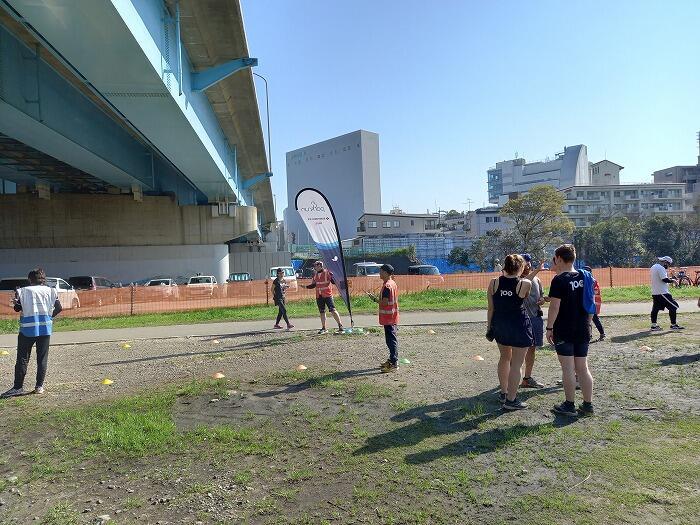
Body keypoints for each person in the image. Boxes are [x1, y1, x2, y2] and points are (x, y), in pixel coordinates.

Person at [547, 244, 594, 417]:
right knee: (583, 368)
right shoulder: (586, 276)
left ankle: (569, 405)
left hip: (564, 328)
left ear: (559, 258)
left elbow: (554, 306)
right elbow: (591, 303)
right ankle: (588, 405)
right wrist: (588, 323)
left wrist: (549, 327)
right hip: (582, 327)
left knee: (567, 367)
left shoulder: (559, 280)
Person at [1, 268, 62, 398]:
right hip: (45, 329)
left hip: (27, 330)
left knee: (23, 358)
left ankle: (18, 387)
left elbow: (18, 308)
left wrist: (16, 301)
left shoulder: (23, 291)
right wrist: (49, 317)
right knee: (42, 359)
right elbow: (59, 308)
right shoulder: (52, 291)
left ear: (30, 280)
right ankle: (39, 386)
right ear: (43, 279)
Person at [486, 254, 534, 410]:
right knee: (517, 364)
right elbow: (524, 296)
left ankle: (503, 392)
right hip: (519, 325)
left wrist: (489, 328)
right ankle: (511, 400)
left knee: (504, 358)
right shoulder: (524, 283)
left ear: (504, 266)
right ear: (520, 267)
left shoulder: (493, 283)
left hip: (500, 325)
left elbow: (491, 308)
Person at [519, 254, 546, 389]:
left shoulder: (537, 279)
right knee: (517, 350)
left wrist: (542, 299)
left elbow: (541, 295)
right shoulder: (517, 279)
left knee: (532, 349)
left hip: (535, 318)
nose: (527, 266)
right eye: (524, 263)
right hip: (520, 319)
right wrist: (537, 270)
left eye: (528, 263)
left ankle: (527, 378)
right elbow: (523, 283)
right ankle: (511, 379)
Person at [367, 264, 400, 373]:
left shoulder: (387, 286)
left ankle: (394, 363)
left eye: (381, 271)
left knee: (391, 341)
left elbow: (385, 303)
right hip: (392, 315)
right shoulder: (392, 283)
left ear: (386, 273)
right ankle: (391, 360)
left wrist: (375, 299)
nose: (379, 273)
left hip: (389, 317)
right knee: (391, 339)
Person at [306, 260, 344, 334]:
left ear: (320, 266)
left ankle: (340, 326)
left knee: (332, 310)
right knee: (322, 312)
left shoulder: (327, 272)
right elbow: (313, 285)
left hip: (327, 295)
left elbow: (333, 282)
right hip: (319, 295)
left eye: (315, 266)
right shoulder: (315, 274)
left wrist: (333, 276)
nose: (314, 267)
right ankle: (324, 328)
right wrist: (306, 287)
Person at [650, 256, 684, 331]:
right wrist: (673, 280)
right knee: (674, 306)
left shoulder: (654, 266)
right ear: (665, 262)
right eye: (668, 264)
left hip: (655, 292)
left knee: (655, 309)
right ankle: (673, 325)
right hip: (662, 292)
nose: (668, 266)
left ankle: (654, 326)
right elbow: (664, 279)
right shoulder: (661, 268)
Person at [583, 265, 605, 340]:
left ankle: (601, 333)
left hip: (593, 304)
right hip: (589, 303)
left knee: (594, 319)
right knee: (588, 320)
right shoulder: (586, 281)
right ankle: (590, 335)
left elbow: (595, 291)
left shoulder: (592, 281)